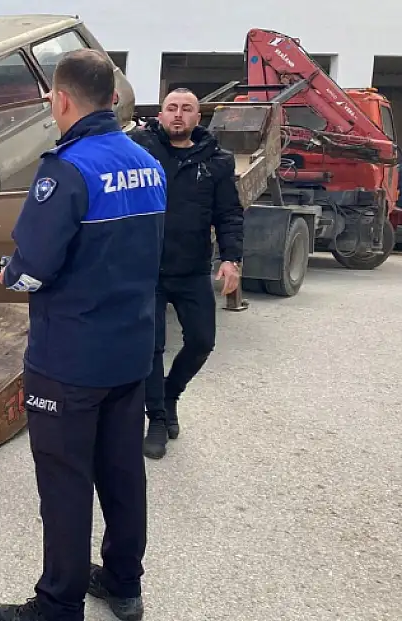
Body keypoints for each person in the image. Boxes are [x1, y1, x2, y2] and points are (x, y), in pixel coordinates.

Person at [0, 49, 166, 621]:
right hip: (131, 351)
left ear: (60, 100)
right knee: (122, 472)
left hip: (69, 359)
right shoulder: (148, 163)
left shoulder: (66, 169)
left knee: (65, 484)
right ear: (113, 98)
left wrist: (9, 271)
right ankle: (123, 583)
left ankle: (58, 604)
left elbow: (33, 267)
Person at [129, 88, 243, 461]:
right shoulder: (139, 148)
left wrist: (231, 258)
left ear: (198, 117)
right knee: (152, 348)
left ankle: (170, 392)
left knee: (201, 341)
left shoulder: (217, 161)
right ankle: (157, 418)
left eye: (187, 109)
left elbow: (228, 214)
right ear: (160, 114)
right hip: (148, 268)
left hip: (192, 268)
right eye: (171, 108)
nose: (178, 114)